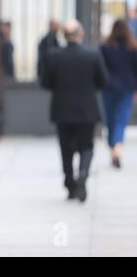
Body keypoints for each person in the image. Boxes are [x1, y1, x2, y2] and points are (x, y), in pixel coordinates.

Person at [42, 20, 109, 203]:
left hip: (62, 110)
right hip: (86, 110)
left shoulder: (54, 56)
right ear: (81, 34)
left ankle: (70, 184)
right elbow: (103, 81)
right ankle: (84, 174)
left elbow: (45, 82)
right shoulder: (93, 55)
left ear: (65, 36)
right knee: (87, 146)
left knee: (66, 148)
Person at [100, 19, 137, 169]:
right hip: (126, 88)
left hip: (109, 87)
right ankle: (117, 147)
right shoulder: (132, 48)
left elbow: (101, 68)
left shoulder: (105, 47)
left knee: (111, 120)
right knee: (121, 119)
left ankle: (113, 148)